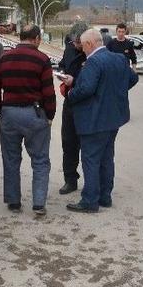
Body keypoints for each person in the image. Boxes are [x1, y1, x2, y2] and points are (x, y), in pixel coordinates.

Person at [63, 29, 139, 213]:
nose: (82, 50)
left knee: (90, 159)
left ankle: (90, 200)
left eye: (83, 46)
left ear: (89, 44)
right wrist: (114, 92)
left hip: (94, 119)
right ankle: (105, 196)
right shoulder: (119, 58)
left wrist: (71, 93)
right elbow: (133, 78)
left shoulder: (93, 62)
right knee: (106, 158)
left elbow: (86, 89)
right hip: (113, 118)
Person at [0, 25, 55, 216]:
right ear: (36, 38)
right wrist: (49, 115)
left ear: (20, 37)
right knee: (40, 159)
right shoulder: (42, 59)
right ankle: (39, 203)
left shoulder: (4, 58)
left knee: (11, 159)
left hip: (9, 113)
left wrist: (2, 111)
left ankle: (13, 201)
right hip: (34, 113)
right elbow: (48, 92)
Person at [57, 21, 88, 195]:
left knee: (88, 145)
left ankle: (91, 182)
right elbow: (63, 63)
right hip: (70, 102)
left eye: (78, 43)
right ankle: (70, 179)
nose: (76, 45)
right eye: (74, 42)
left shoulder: (92, 52)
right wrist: (61, 72)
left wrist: (74, 80)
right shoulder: (69, 48)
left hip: (87, 104)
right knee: (68, 143)